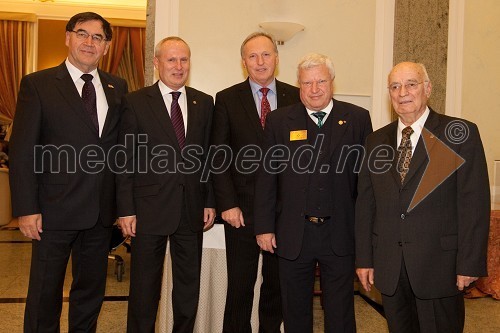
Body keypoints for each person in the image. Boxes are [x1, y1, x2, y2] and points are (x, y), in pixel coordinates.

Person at [8, 12, 127, 332]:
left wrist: (123, 207)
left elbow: (120, 152)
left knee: (90, 293)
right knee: (45, 292)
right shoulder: (39, 84)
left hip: (100, 213)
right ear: (67, 37)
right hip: (52, 210)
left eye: (97, 37)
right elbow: (22, 151)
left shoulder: (118, 87)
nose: (89, 42)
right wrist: (26, 209)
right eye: (82, 34)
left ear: (106, 46)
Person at [355, 61, 490, 333]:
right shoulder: (374, 142)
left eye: (411, 84)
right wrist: (365, 259)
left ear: (427, 88)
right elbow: (366, 205)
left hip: (440, 267)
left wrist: (469, 263)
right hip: (391, 266)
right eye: (395, 86)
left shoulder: (459, 134)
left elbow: (474, 203)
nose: (402, 92)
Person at [254, 53, 373, 333]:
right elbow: (267, 177)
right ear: (299, 85)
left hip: (341, 233)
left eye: (321, 81)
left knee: (341, 312)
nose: (315, 88)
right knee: (294, 311)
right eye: (307, 83)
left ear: (332, 82)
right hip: (294, 233)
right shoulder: (280, 121)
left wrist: (367, 235)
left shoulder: (356, 118)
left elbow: (367, 184)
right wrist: (264, 227)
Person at [116, 36, 216, 333]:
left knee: (188, 288)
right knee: (145, 289)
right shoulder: (134, 102)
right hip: (147, 210)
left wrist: (209, 200)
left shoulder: (203, 101)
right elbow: (125, 159)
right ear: (157, 62)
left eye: (183, 59)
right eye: (171, 59)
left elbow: (208, 157)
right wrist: (126, 209)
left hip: (191, 208)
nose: (178, 66)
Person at [210, 32, 300, 332]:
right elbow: (219, 157)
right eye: (252, 56)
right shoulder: (226, 99)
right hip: (242, 213)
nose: (260, 62)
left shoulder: (296, 96)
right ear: (243, 61)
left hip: (283, 212)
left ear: (276, 57)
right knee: (240, 286)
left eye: (266, 55)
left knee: (276, 287)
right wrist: (228, 204)